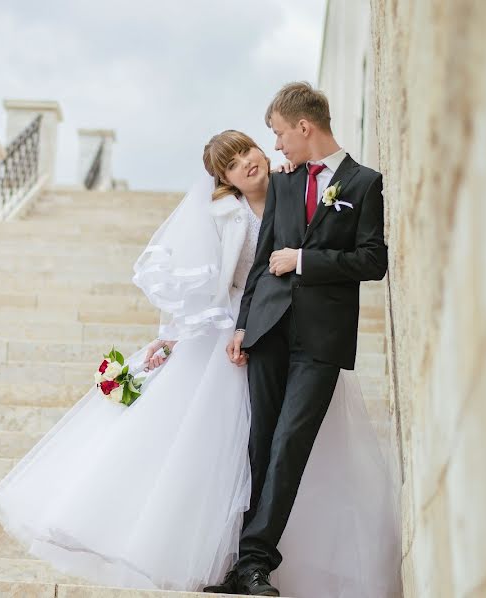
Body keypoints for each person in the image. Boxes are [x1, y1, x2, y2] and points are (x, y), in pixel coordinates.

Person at [0, 126, 399, 596]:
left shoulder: (299, 184)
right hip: (240, 334)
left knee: (293, 448)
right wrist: (176, 339)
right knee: (236, 449)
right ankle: (233, 560)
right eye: (232, 164)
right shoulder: (226, 213)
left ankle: (263, 558)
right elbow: (203, 283)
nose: (247, 161)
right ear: (224, 180)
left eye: (247, 150)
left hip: (302, 334)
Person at [210, 82, 391, 596]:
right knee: (259, 445)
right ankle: (243, 562)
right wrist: (244, 324)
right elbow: (264, 256)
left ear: (304, 127)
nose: (277, 146)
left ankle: (253, 564)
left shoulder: (363, 183)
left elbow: (373, 260)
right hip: (267, 329)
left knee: (290, 444)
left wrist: (306, 261)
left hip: (321, 340)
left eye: (279, 133)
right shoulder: (286, 183)